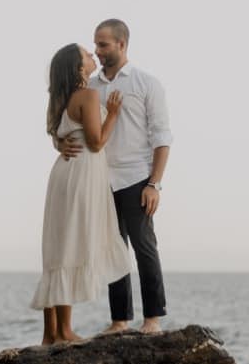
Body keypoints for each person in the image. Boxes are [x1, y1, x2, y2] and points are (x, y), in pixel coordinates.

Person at [58, 18, 173, 333]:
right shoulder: (89, 87)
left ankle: (152, 319)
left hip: (136, 178)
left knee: (144, 247)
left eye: (103, 44)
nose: (97, 50)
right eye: (94, 44)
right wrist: (59, 142)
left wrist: (154, 184)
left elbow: (162, 137)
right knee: (112, 249)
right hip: (97, 181)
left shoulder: (146, 83)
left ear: (122, 44)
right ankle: (119, 320)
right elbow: (67, 119)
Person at [32, 44, 133, 343]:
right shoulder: (88, 95)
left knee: (58, 249)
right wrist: (112, 114)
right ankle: (64, 331)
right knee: (71, 246)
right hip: (82, 174)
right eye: (87, 54)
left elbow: (58, 134)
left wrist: (59, 144)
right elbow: (97, 142)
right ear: (78, 67)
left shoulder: (59, 98)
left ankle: (50, 333)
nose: (92, 54)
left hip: (64, 174)